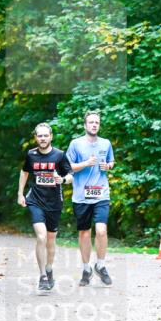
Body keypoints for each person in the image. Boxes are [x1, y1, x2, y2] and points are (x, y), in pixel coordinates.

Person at [17, 123, 73, 292]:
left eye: (45, 136)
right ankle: (42, 276)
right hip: (35, 200)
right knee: (41, 237)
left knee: (50, 240)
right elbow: (24, 172)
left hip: (54, 203)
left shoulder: (59, 155)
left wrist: (62, 180)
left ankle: (49, 268)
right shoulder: (31, 155)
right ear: (36, 137)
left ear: (51, 137)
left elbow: (70, 176)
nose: (42, 138)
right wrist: (20, 193)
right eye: (39, 136)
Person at [66, 110, 114, 286]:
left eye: (97, 122)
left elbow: (111, 162)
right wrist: (86, 164)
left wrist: (107, 166)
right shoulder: (75, 144)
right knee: (84, 233)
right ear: (85, 125)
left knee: (101, 230)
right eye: (91, 122)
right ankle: (86, 269)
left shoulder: (106, 143)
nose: (94, 125)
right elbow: (68, 167)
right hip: (81, 196)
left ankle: (100, 265)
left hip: (101, 193)